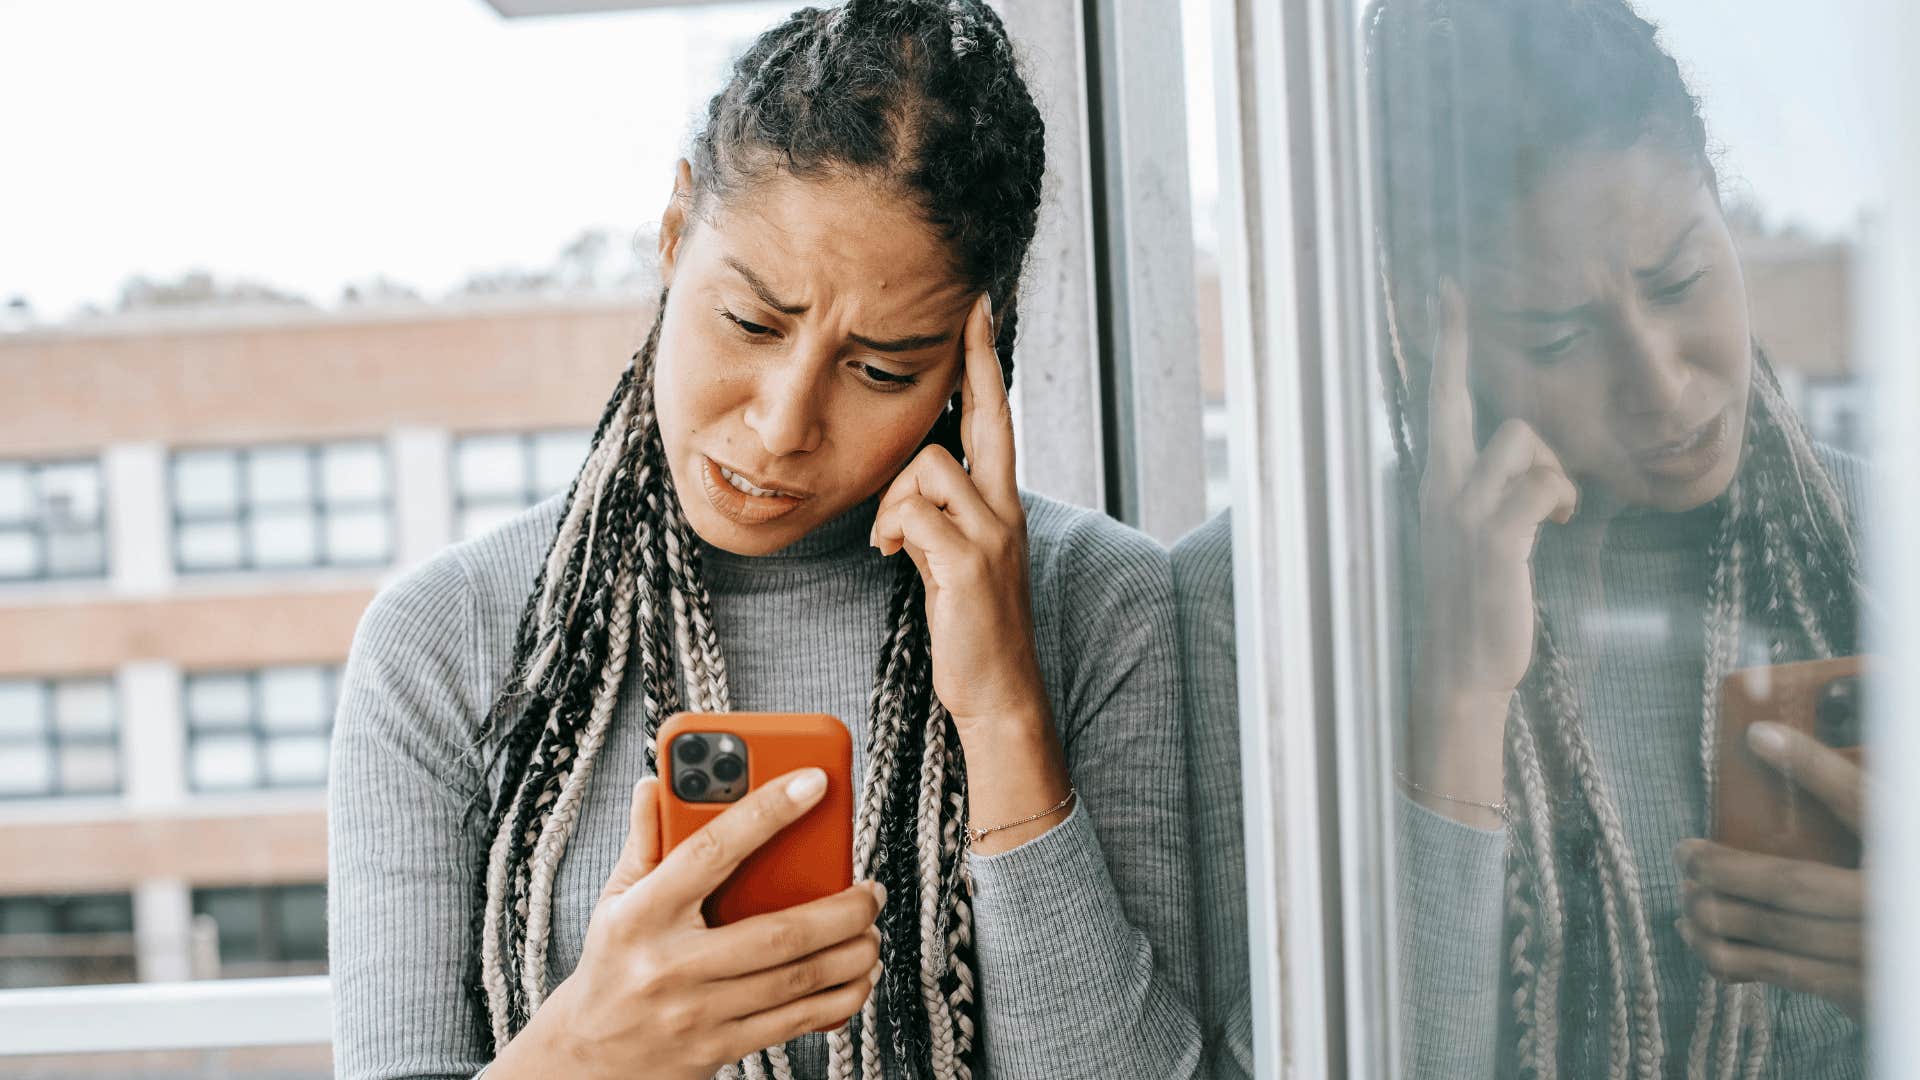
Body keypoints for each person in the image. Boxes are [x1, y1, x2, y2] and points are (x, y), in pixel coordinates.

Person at [326, 3, 1202, 1078]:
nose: (784, 426)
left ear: (977, 351)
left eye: (881, 370)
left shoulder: (1103, 607)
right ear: (674, 231)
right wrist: (589, 1050)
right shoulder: (445, 641)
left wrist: (1006, 712)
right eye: (751, 324)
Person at [1367, 0, 1869, 1076]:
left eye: (1681, 278)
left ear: (1723, 208)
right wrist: (1455, 695)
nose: (1662, 382)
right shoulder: (1284, 602)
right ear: (1430, 333)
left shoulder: (1884, 546)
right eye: (1558, 332)